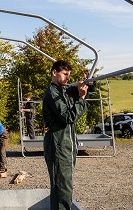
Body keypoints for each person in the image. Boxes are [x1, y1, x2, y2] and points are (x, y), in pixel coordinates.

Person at [42, 60, 91, 210]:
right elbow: (68, 117)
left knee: (64, 184)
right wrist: (81, 99)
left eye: (69, 75)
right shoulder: (53, 93)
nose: (68, 78)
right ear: (54, 73)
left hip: (66, 143)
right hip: (58, 144)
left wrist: (88, 82)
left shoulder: (63, 91)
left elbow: (79, 92)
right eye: (65, 74)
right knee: (62, 187)